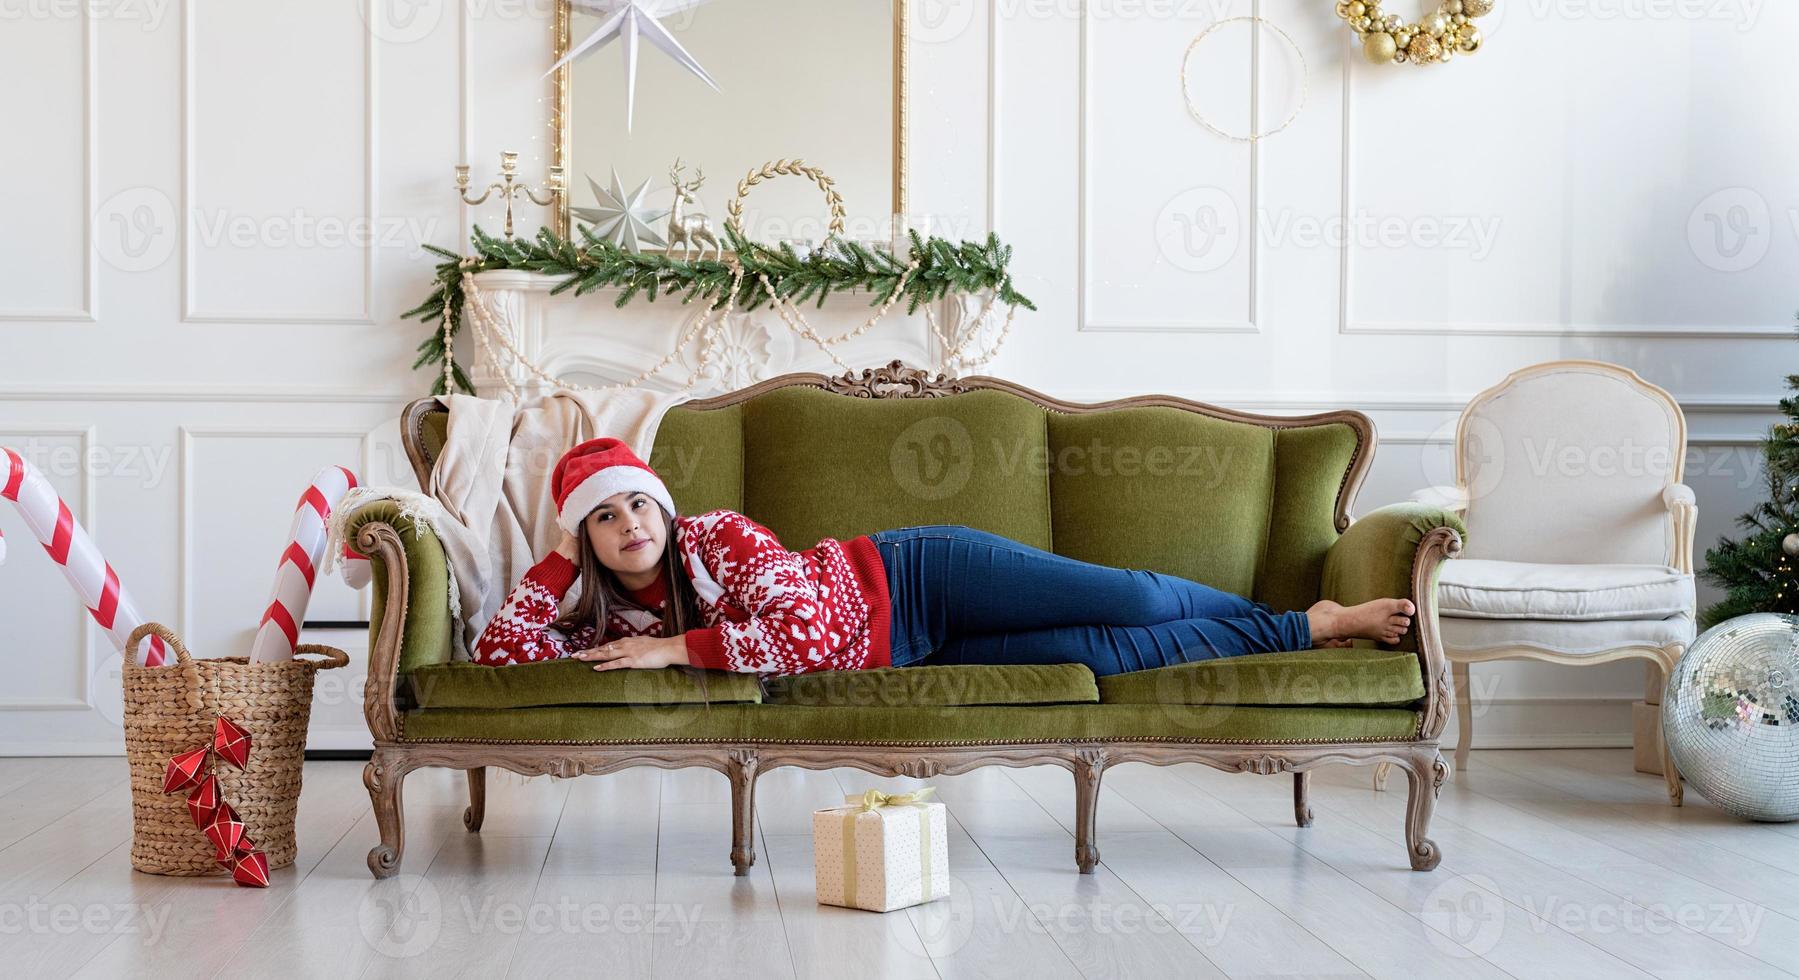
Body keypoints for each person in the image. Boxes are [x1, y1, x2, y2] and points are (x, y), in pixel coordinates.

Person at [473, 438, 1416, 676]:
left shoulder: (717, 535)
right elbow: (499, 655)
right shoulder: (608, 615)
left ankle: (1307, 617)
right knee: (1103, 655)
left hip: (914, 575)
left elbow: (803, 631)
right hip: (906, 656)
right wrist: (558, 560)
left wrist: (680, 650)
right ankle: (1304, 629)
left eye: (642, 501)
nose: (632, 522)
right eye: (606, 518)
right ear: (590, 541)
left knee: (1128, 602)